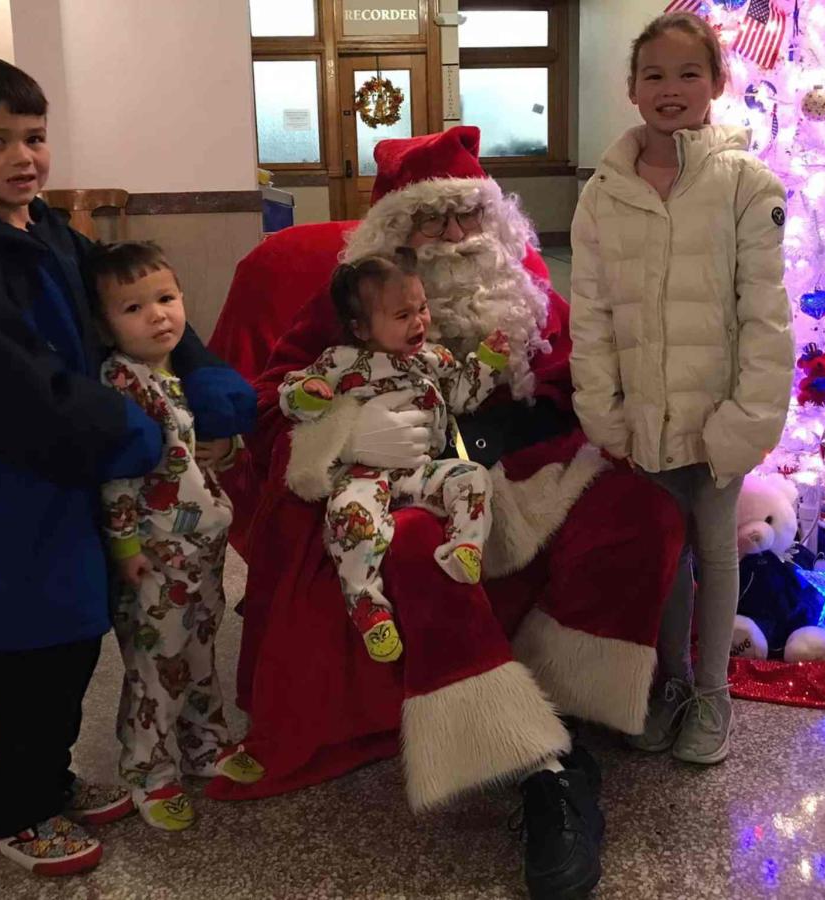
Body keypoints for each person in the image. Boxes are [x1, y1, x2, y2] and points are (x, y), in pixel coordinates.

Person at [207, 126, 685, 900]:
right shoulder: (357, 302)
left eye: (469, 215)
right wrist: (345, 430)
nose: (459, 237)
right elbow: (272, 397)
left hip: (533, 465)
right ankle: (527, 752)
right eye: (434, 221)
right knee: (414, 546)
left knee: (642, 510)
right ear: (396, 233)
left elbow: (579, 379)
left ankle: (578, 697)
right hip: (409, 477)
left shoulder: (524, 287)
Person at [0, 58, 253, 875]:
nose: (23, 156)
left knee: (70, 639)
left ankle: (47, 777)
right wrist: (133, 434)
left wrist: (205, 373)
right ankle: (17, 810)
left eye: (35, 136)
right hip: (2, 494)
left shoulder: (46, 229)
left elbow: (130, 292)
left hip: (65, 480)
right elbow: (15, 381)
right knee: (27, 657)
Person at [570, 11, 795, 765]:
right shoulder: (605, 192)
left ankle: (712, 692)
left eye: (688, 73)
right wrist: (605, 411)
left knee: (715, 551)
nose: (671, 89)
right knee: (664, 556)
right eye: (655, 75)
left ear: (718, 84)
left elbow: (765, 317)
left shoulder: (743, 182)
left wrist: (747, 418)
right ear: (632, 89)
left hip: (717, 417)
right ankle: (670, 684)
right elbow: (594, 314)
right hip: (645, 418)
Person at [89, 241, 265, 831]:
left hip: (202, 549)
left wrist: (230, 444)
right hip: (156, 553)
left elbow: (195, 451)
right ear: (104, 323)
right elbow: (114, 473)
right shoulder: (119, 381)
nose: (158, 315)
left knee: (197, 654)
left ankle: (206, 746)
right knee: (155, 665)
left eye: (166, 298)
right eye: (134, 308)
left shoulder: (180, 374)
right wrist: (126, 548)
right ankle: (148, 772)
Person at [280, 248, 511, 662]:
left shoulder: (432, 358)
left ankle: (466, 547)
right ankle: (367, 606)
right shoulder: (341, 360)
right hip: (364, 473)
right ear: (362, 328)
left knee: (473, 477)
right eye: (402, 316)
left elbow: (461, 394)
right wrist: (307, 395)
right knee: (350, 518)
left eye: (421, 308)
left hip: (422, 470)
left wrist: (488, 362)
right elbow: (293, 394)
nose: (419, 321)